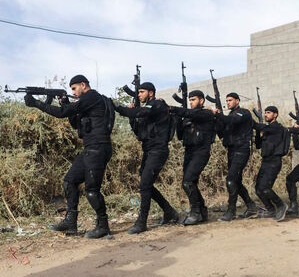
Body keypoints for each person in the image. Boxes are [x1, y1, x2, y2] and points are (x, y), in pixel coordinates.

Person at [26, 75, 113, 239]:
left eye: (74, 89)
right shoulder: (86, 102)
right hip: (90, 149)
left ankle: (103, 226)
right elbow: (74, 123)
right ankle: (71, 222)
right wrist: (65, 102)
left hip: (98, 148)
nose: (74, 92)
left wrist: (37, 103)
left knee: (92, 191)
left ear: (83, 85)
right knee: (70, 181)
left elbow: (62, 113)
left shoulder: (91, 96)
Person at [114, 82, 179, 234]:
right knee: (145, 184)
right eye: (138, 92)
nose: (139, 95)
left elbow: (142, 112)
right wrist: (131, 116)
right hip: (149, 150)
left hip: (158, 150)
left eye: (142, 92)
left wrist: (119, 108)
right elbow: (139, 132)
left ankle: (142, 222)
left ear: (151, 93)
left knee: (145, 184)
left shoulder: (157, 105)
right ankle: (169, 212)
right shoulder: (146, 111)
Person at [169, 90, 215, 225]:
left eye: (193, 99)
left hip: (201, 152)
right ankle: (202, 211)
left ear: (201, 101)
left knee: (187, 181)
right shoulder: (188, 116)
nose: (191, 102)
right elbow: (180, 136)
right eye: (190, 100)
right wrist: (177, 119)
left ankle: (195, 213)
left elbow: (191, 113)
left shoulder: (206, 113)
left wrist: (174, 109)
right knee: (190, 182)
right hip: (189, 152)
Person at [212, 92, 257, 221]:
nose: (228, 102)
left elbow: (232, 120)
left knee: (230, 179)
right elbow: (222, 132)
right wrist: (216, 120)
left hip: (241, 150)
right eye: (226, 100)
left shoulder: (243, 113)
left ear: (237, 101)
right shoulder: (230, 115)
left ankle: (231, 212)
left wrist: (218, 114)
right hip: (232, 151)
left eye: (230, 100)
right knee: (236, 181)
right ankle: (251, 206)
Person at [252, 105, 289, 221]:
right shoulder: (267, 130)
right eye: (265, 112)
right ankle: (270, 210)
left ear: (275, 115)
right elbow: (258, 145)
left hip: (274, 161)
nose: (265, 114)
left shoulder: (277, 128)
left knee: (265, 187)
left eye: (268, 112)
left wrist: (253, 120)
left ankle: (281, 205)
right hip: (266, 161)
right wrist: (258, 132)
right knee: (258, 189)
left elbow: (259, 126)